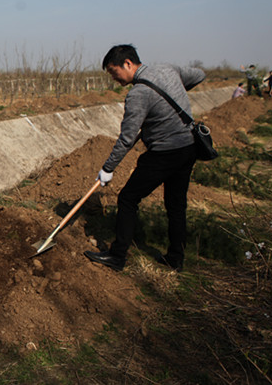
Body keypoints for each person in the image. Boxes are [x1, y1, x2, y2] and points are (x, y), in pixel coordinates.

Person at [84, 44, 205, 272]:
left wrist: (108, 168)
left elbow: (127, 139)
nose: (114, 79)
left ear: (128, 64)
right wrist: (174, 94)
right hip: (188, 148)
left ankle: (117, 256)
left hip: (164, 153)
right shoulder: (168, 70)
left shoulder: (138, 94)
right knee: (176, 205)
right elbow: (199, 74)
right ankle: (176, 258)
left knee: (128, 199)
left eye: (113, 72)